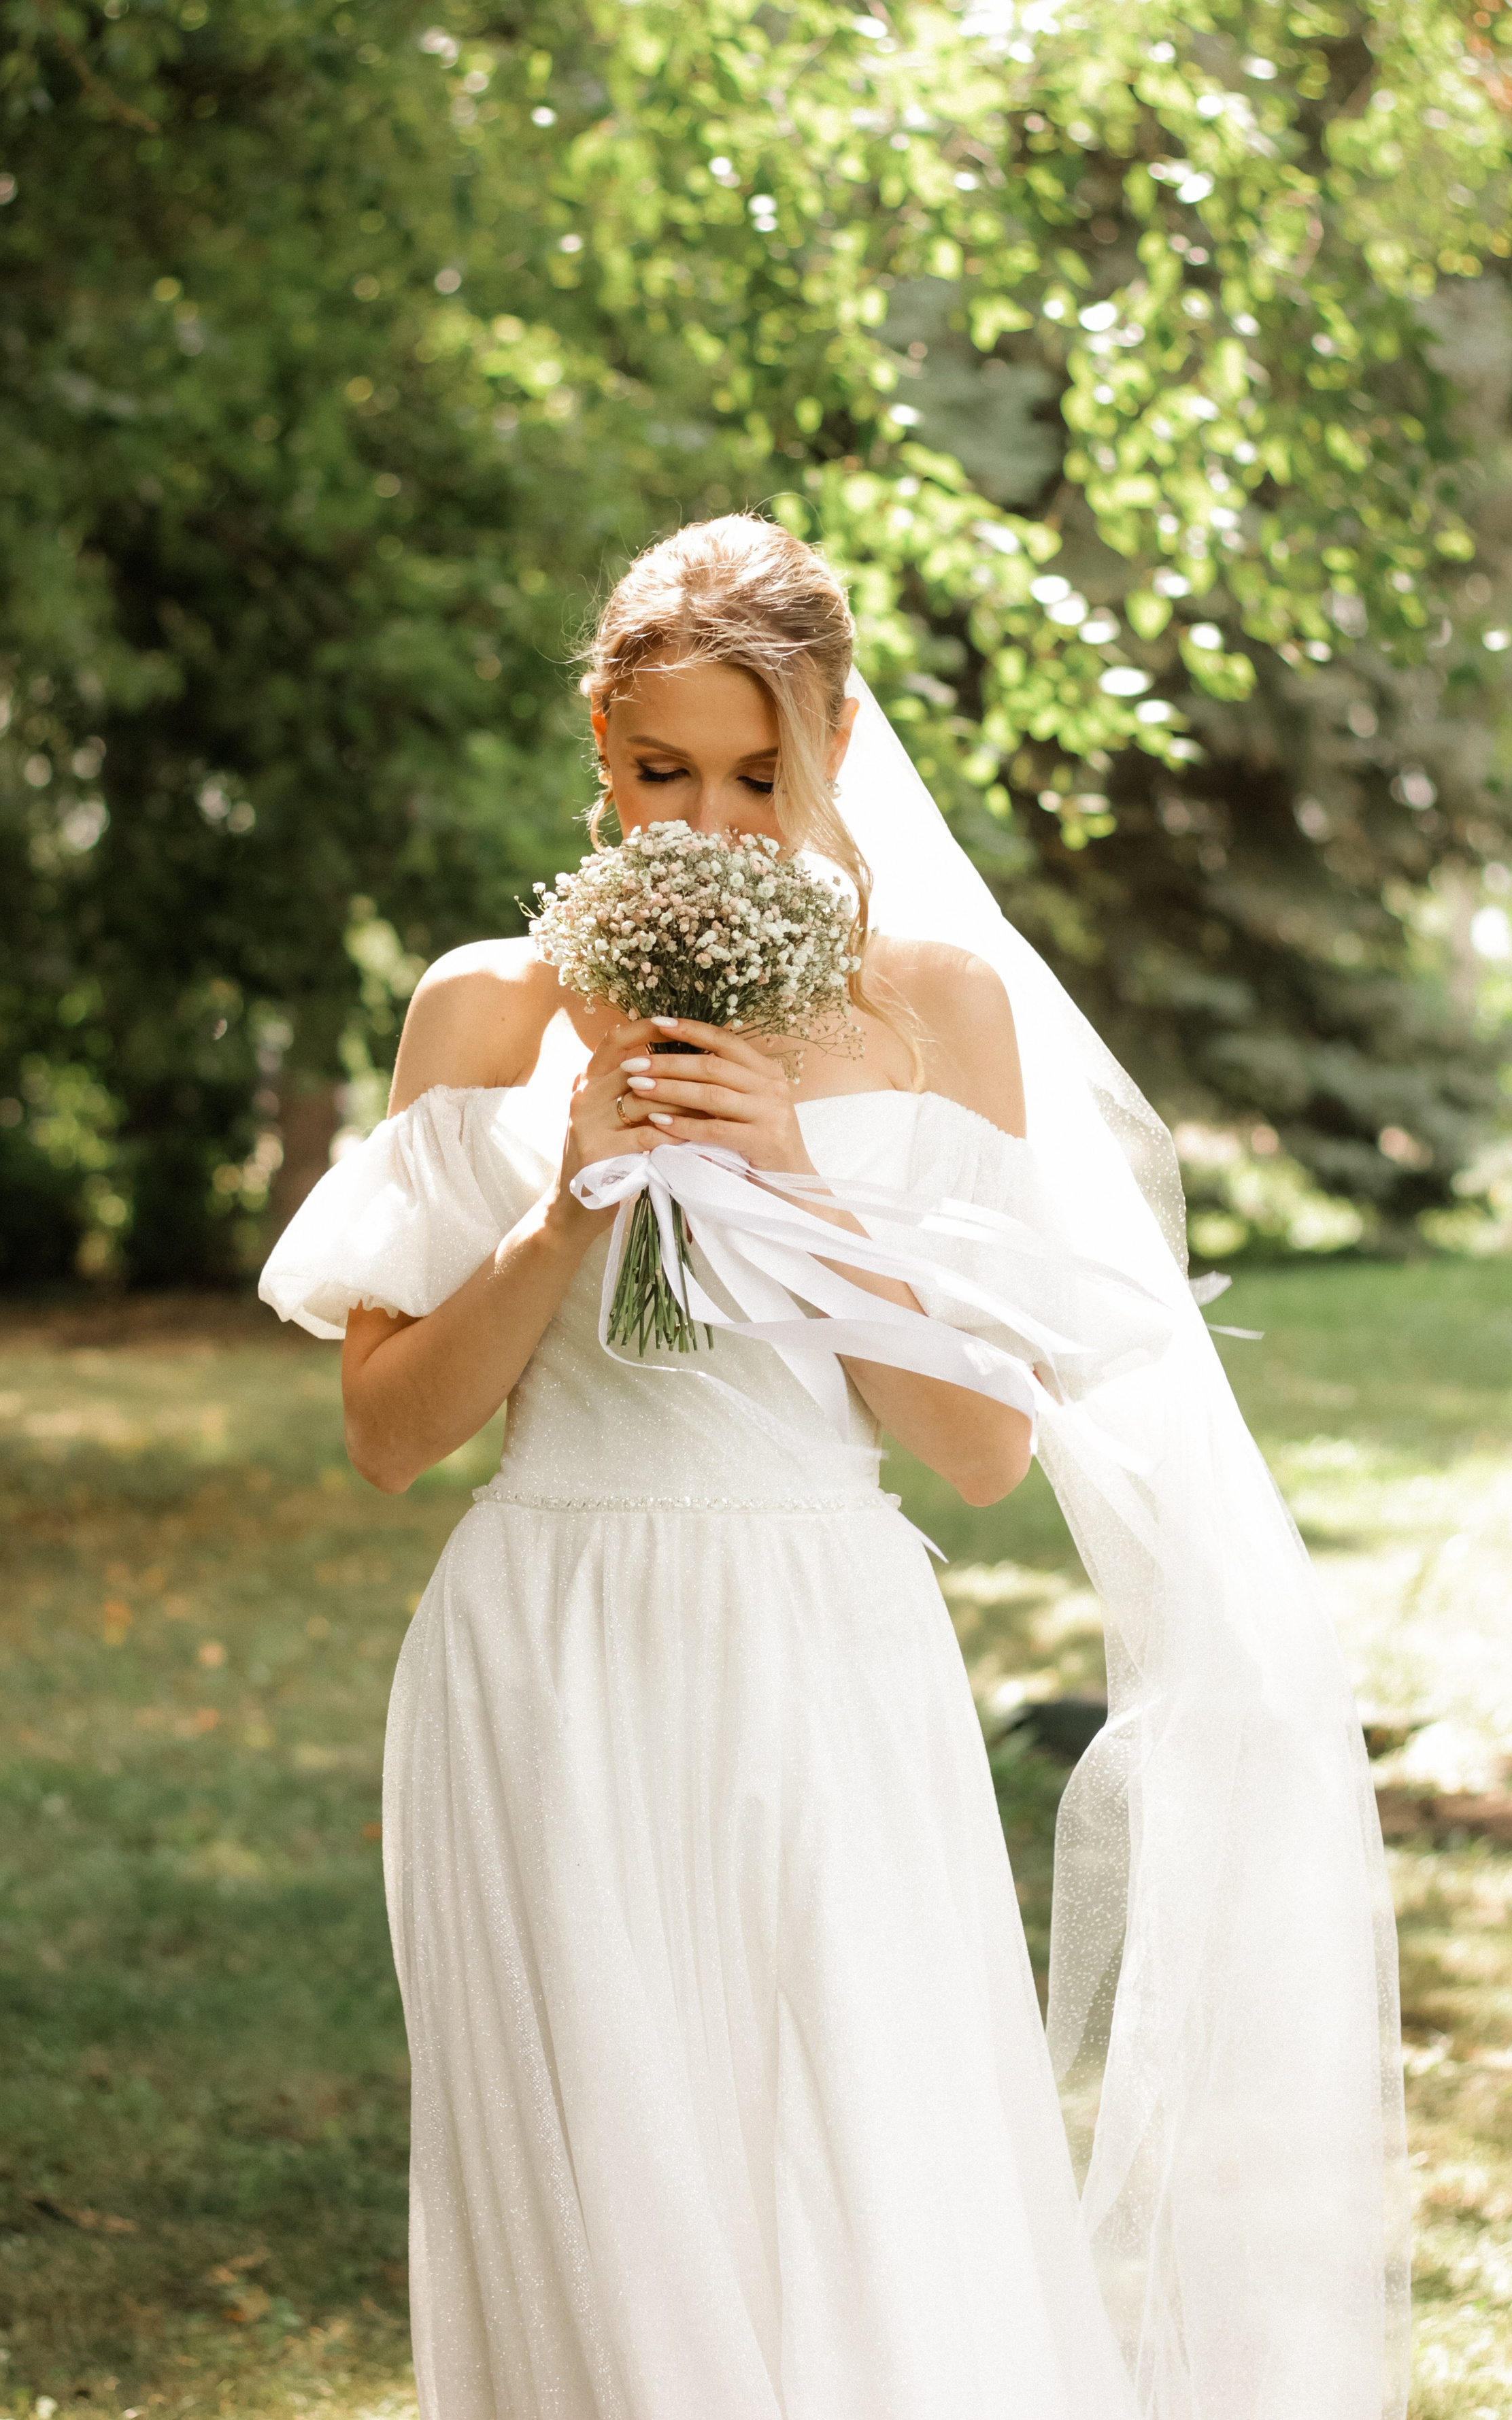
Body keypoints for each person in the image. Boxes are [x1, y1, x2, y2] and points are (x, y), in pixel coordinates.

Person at [262, 517, 1406, 2419]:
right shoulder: (487, 1011)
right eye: (659, 772)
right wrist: (562, 1209)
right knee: (604, 2207)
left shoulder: (926, 1009)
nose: (707, 823)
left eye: (757, 774)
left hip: (822, 1639)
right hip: (544, 1648)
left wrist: (791, 1181)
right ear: (598, 750)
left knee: (863, 2157)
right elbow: (389, 1439)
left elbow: (974, 1452)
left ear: (834, 744)